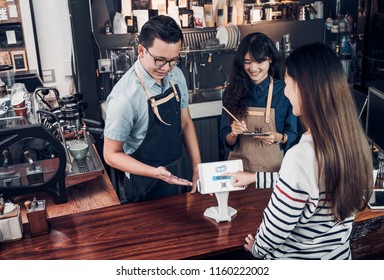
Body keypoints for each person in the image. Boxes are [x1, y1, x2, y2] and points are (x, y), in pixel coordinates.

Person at [225, 42, 373, 259]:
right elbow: (308, 186)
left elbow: (274, 231)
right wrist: (255, 178)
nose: (284, 92)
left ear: (303, 89)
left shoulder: (300, 157)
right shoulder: (353, 142)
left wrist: (257, 248)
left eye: (287, 84)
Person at [103, 15, 201, 203]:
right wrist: (155, 173)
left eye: (173, 60)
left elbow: (186, 122)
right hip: (143, 185)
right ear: (141, 50)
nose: (166, 68)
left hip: (176, 173)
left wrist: (197, 166)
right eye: (160, 60)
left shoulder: (176, 75)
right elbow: (111, 154)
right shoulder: (125, 97)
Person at [219, 32, 298, 175]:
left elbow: (292, 134)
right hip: (238, 173)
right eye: (247, 62)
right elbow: (226, 140)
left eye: (259, 62)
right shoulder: (232, 91)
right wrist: (233, 133)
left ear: (270, 59)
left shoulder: (284, 91)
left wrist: (277, 137)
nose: (253, 68)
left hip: (272, 173)